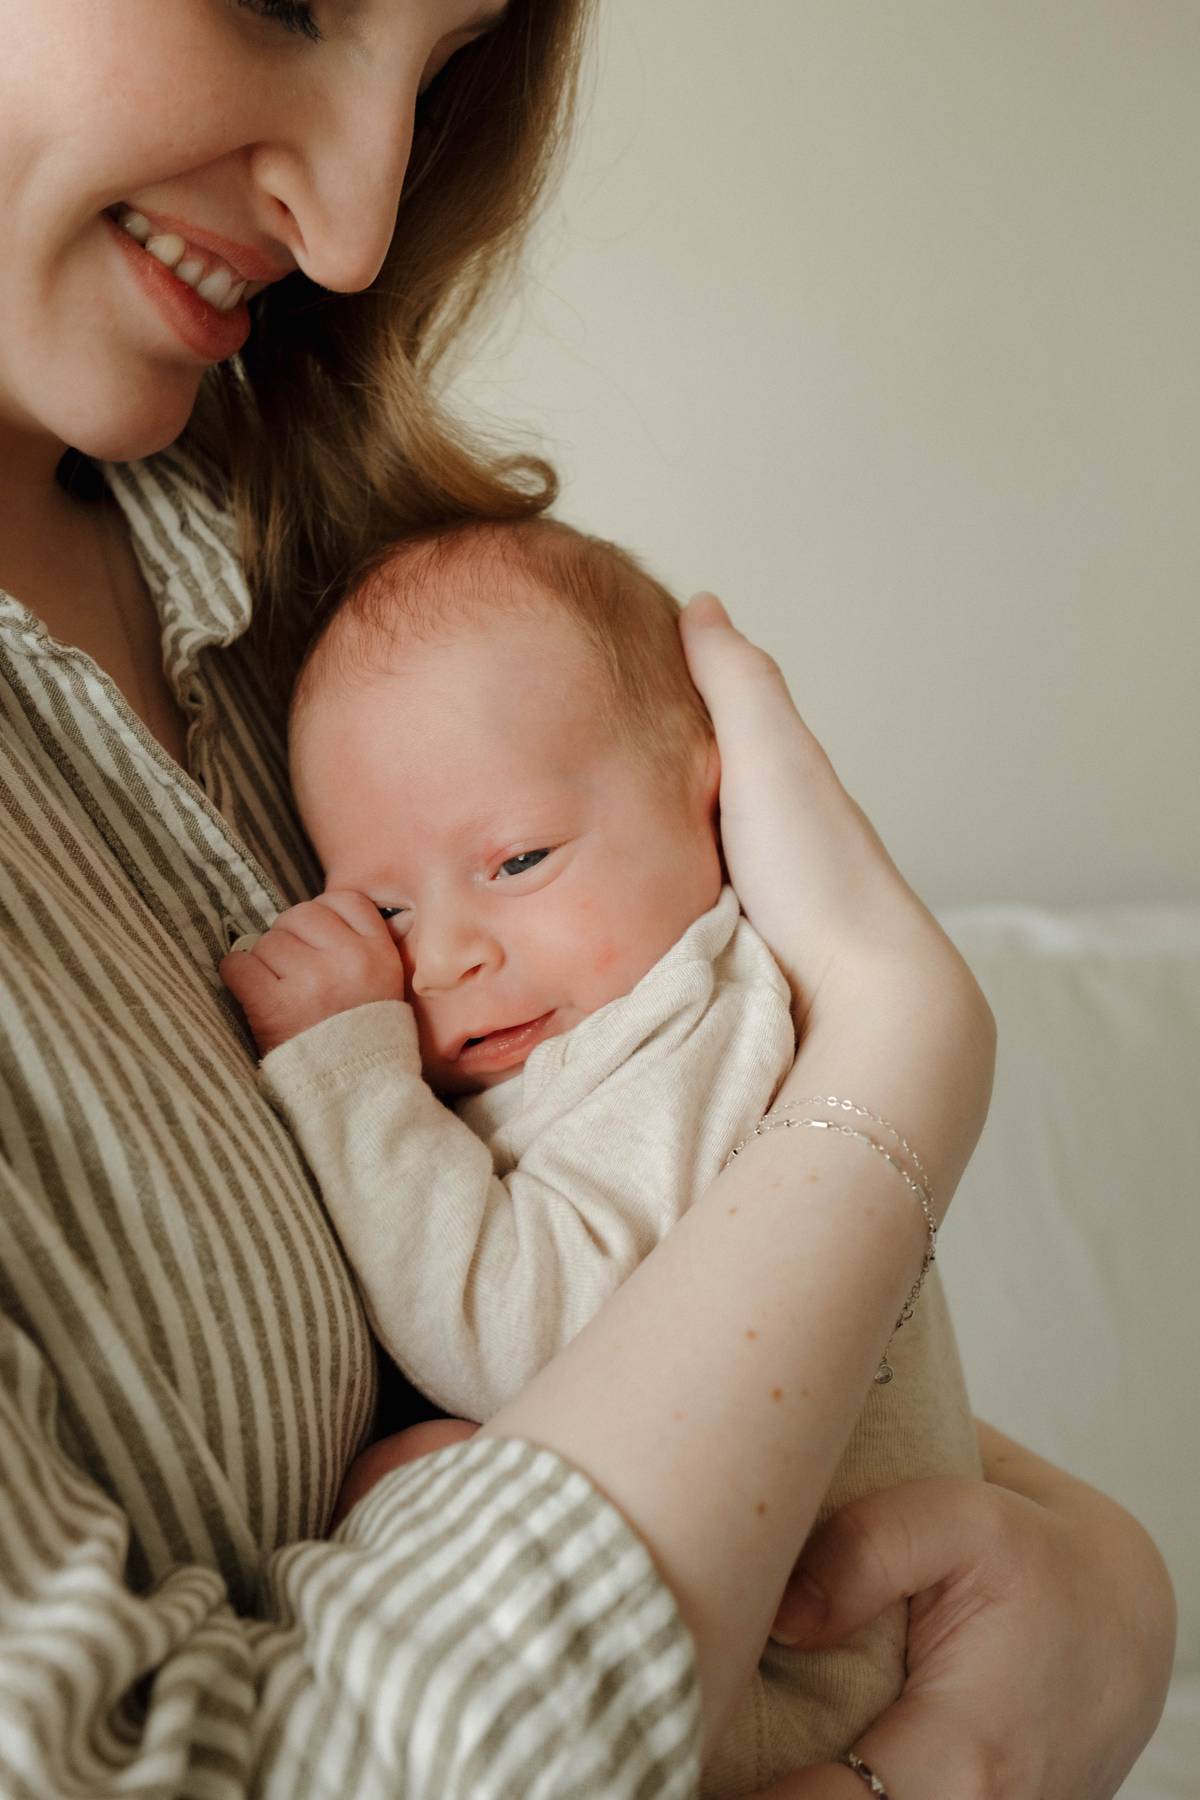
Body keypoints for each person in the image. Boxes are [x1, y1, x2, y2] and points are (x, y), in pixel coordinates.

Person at [0, 3, 1174, 1796]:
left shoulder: (314, 605)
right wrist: (898, 1049)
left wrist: (1095, 1582)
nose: (360, 227)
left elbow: (694, 1340)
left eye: (440, 73)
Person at [222, 514, 984, 1792]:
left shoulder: (695, 1029)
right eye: (388, 908)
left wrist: (348, 1075)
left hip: (780, 1675)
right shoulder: (584, 1027)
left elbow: (529, 1342)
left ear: (716, 791)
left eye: (518, 859)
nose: (449, 953)